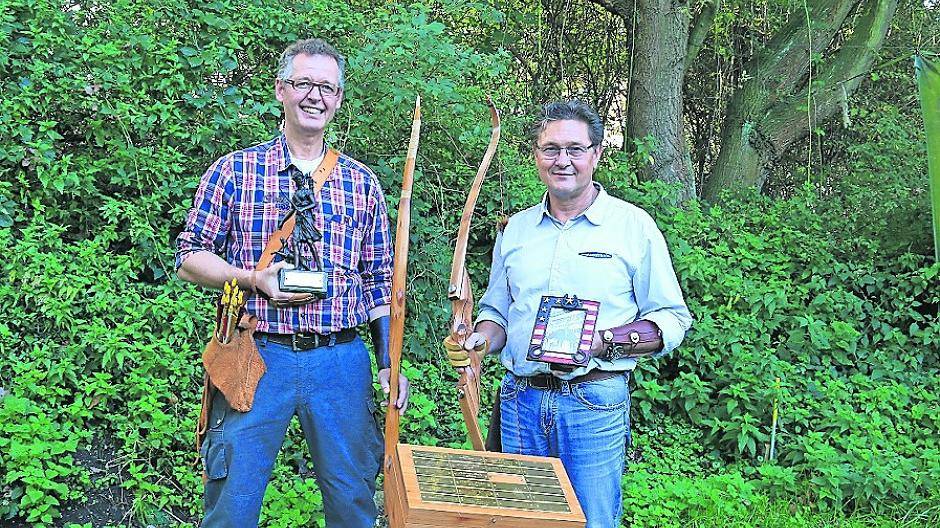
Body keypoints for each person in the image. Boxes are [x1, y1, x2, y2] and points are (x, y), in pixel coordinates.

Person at [176, 38, 410, 528]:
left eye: (327, 87)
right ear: (281, 89)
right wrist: (251, 277)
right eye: (304, 83)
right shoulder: (235, 171)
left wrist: (388, 364)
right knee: (231, 507)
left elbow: (378, 282)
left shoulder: (361, 183)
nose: (314, 96)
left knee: (353, 504)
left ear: (339, 99)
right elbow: (189, 258)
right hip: (257, 357)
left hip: (341, 362)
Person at [446, 100, 692, 527]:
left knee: (591, 521)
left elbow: (671, 318)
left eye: (575, 149)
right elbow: (496, 314)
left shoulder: (633, 227)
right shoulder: (516, 230)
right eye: (551, 149)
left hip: (593, 402)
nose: (563, 161)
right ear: (537, 156)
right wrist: (478, 342)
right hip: (520, 402)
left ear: (596, 154)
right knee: (519, 521)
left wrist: (603, 342)